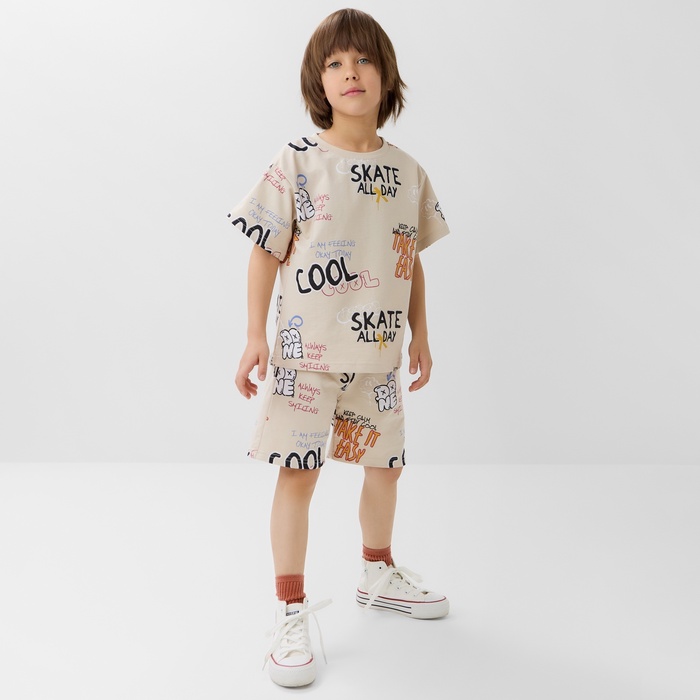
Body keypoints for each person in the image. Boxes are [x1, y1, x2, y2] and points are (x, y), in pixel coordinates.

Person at [226, 7, 450, 688]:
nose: (351, 72)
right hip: (307, 362)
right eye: (335, 63)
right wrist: (254, 336)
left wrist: (421, 332)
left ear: (387, 76)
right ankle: (289, 610)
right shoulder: (296, 162)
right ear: (318, 82)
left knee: (386, 469)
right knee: (299, 476)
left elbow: (411, 256)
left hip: (377, 361)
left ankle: (377, 573)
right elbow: (264, 252)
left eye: (364, 60)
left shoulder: (407, 172)